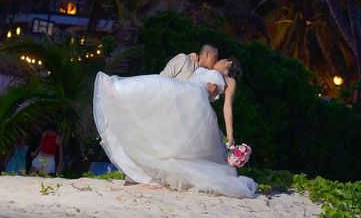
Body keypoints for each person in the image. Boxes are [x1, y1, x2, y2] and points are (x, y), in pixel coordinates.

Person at [93, 57, 256, 197]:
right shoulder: (204, 69)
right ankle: (119, 91)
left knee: (158, 84)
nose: (218, 61)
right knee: (156, 99)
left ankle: (119, 88)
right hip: (184, 96)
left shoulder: (223, 78)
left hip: (192, 96)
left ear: (228, 64)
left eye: (221, 60)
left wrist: (230, 134)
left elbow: (221, 99)